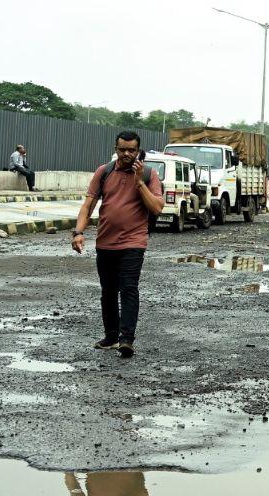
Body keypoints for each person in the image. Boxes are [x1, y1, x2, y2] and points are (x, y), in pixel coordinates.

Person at [70, 131, 164, 359]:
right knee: (108, 292)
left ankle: (126, 340)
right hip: (105, 242)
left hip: (134, 242)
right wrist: (78, 232)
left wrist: (139, 182)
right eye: (122, 149)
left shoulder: (150, 175)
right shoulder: (104, 172)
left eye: (131, 150)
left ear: (138, 150)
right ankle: (111, 337)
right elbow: (89, 204)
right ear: (116, 148)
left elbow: (157, 208)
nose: (127, 154)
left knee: (129, 288)